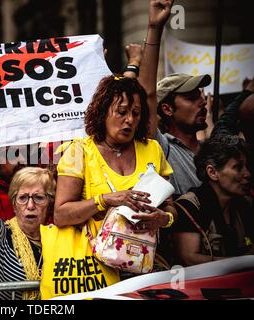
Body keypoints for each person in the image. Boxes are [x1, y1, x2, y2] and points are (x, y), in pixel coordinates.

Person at [54, 74, 175, 283]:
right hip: (96, 270)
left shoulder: (153, 150)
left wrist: (164, 219)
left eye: (136, 113)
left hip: (144, 266)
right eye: (121, 112)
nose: (129, 119)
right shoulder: (79, 151)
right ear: (102, 113)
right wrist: (106, 200)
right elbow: (61, 215)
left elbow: (170, 207)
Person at [135, 0, 211, 198]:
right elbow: (147, 95)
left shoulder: (212, 150)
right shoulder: (162, 148)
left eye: (202, 95)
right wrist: (154, 28)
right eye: (192, 97)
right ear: (167, 109)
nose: (202, 102)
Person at [0, 139, 55, 300]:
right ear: (13, 204)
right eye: (22, 198)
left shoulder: (60, 237)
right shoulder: (2, 238)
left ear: (50, 202)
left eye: (39, 197)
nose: (30, 205)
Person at [172, 135, 254, 266]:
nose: (247, 174)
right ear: (212, 172)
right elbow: (188, 258)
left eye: (246, 167)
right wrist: (242, 262)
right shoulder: (191, 206)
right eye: (238, 167)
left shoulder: (245, 204)